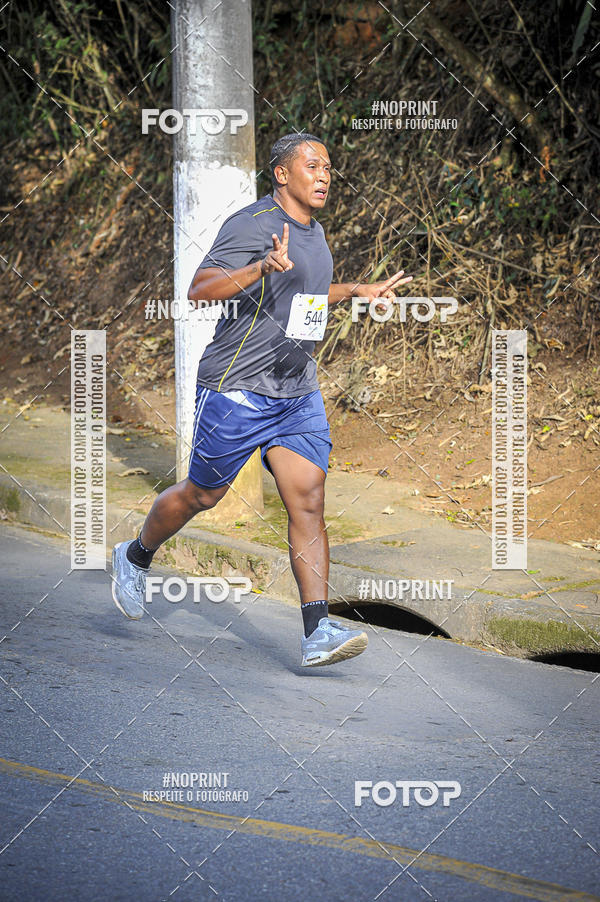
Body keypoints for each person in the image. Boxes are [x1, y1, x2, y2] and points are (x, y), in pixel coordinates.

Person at [111, 132, 411, 667]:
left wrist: (355, 291)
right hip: (238, 388)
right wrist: (259, 268)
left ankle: (317, 631)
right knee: (203, 495)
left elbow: (306, 298)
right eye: (313, 165)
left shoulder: (315, 233)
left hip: (296, 392)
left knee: (309, 500)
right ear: (282, 174)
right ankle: (135, 556)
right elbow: (200, 289)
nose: (324, 176)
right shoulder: (252, 225)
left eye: (328, 167)